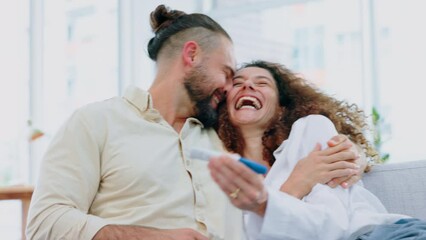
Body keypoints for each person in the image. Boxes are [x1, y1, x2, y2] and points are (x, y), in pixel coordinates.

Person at [26, 5, 365, 240]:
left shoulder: (224, 135)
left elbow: (275, 190)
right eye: (227, 73)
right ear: (191, 56)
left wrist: (350, 155)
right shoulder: (97, 121)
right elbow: (44, 224)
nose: (230, 87)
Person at [208, 60, 426, 240]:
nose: (248, 87)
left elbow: (335, 223)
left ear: (281, 108)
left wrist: (268, 208)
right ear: (225, 106)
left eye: (262, 83)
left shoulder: (310, 128)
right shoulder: (224, 175)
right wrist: (297, 183)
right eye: (238, 83)